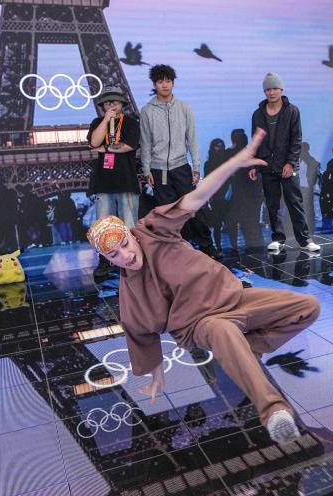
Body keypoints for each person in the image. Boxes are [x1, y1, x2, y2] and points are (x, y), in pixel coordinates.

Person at [91, 128, 320, 445]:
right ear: (107, 259)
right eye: (114, 256)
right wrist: (157, 377)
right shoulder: (130, 292)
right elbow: (141, 337)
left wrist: (234, 162)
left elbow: (196, 197)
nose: (126, 256)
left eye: (125, 245)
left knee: (307, 308)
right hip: (199, 323)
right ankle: (274, 411)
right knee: (222, 331)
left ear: (131, 233)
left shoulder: (154, 229)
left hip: (232, 297)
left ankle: (245, 352)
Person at [139, 64, 217, 257]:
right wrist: (147, 170)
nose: (164, 85)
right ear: (154, 84)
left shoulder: (184, 108)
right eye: (160, 81)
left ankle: (208, 247)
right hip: (158, 171)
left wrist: (196, 166)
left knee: (193, 209)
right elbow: (145, 142)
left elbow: (192, 139)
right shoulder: (147, 111)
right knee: (168, 215)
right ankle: (178, 251)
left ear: (173, 83)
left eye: (168, 81)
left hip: (181, 166)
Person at [249, 73, 320, 253]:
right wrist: (254, 164)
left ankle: (305, 240)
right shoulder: (257, 114)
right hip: (266, 165)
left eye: (274, 88)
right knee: (272, 205)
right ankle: (277, 238)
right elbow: (255, 141)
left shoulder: (292, 111)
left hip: (287, 166)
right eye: (268, 89)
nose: (271, 92)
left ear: (281, 89)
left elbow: (296, 139)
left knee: (295, 203)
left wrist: (290, 163)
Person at [87, 86, 140, 277]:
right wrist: (106, 121)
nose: (112, 106)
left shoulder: (131, 123)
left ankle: (134, 258)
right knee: (103, 226)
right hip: (103, 183)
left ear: (122, 104)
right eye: (108, 103)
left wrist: (105, 148)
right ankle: (105, 261)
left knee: (129, 223)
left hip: (126, 181)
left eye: (115, 102)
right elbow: (94, 143)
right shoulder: (97, 122)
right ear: (102, 106)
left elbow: (129, 146)